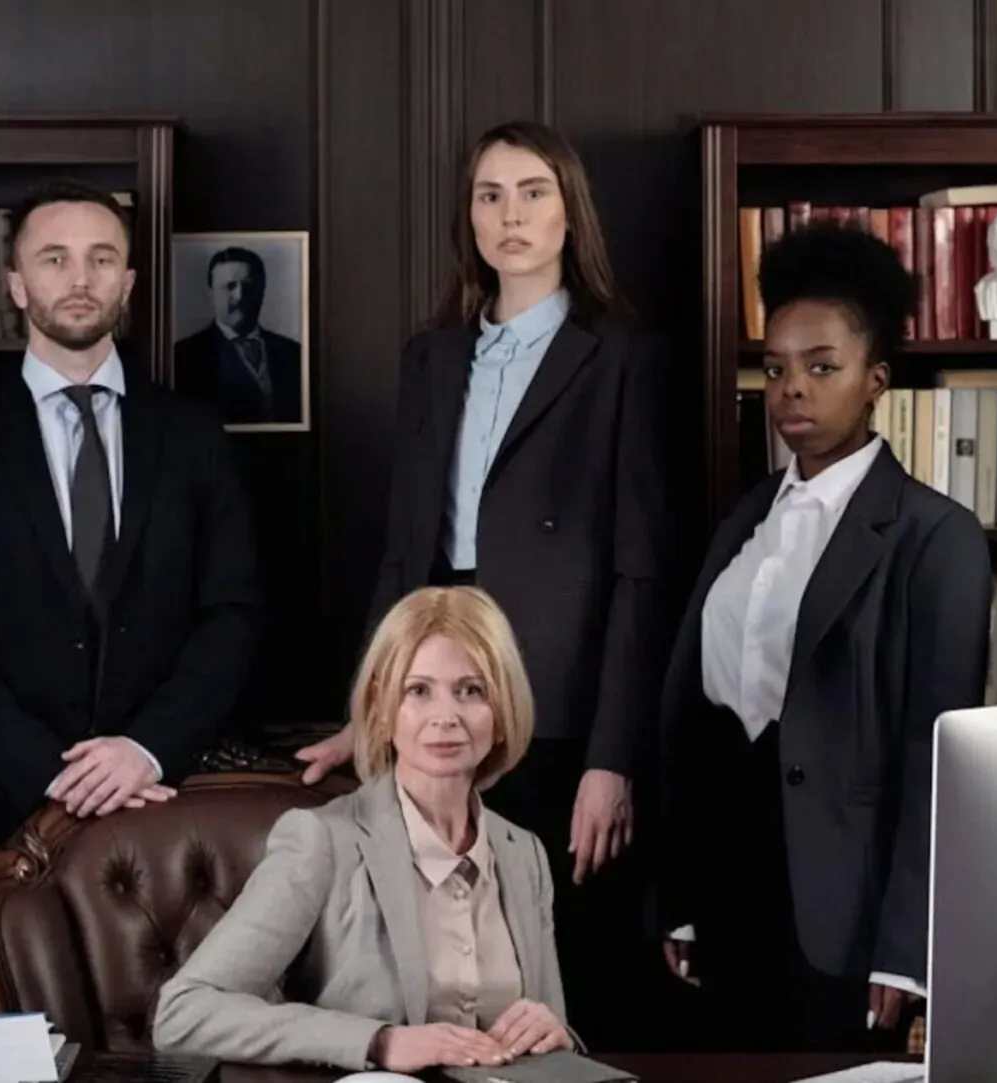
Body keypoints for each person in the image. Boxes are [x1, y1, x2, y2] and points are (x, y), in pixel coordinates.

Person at [293, 120, 675, 1047]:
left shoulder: (619, 352)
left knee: (561, 960)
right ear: (468, 217)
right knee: (443, 956)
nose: (511, 215)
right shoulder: (433, 356)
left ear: (568, 209)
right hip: (438, 679)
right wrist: (369, 706)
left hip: (559, 696)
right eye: (490, 195)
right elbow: (402, 552)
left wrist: (611, 756)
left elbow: (640, 571)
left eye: (533, 192)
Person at [656, 222, 993, 1052]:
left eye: (821, 366)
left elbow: (937, 754)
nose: (792, 390)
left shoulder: (933, 535)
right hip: (732, 885)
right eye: (775, 369)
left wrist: (909, 947)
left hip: (848, 904)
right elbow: (698, 715)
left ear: (876, 379)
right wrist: (685, 894)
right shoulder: (745, 518)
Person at [0, 179, 260, 847]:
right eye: (54, 258)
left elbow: (232, 612)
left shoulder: (193, 435)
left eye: (100, 259)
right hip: (2, 809)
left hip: (165, 796)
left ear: (127, 284)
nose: (79, 278)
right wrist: (54, 775)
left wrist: (147, 748)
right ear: (16, 284)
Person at [153, 587, 575, 1073]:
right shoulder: (321, 841)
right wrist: (378, 1042)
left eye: (471, 691)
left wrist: (554, 1031)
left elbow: (549, 1038)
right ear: (381, 709)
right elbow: (184, 1012)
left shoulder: (525, 853)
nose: (446, 717)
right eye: (418, 691)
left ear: (502, 714)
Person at [172, 246, 304, 425]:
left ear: (262, 290)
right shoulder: (184, 357)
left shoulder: (294, 353)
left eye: (248, 285)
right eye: (230, 286)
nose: (240, 296)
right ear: (212, 294)